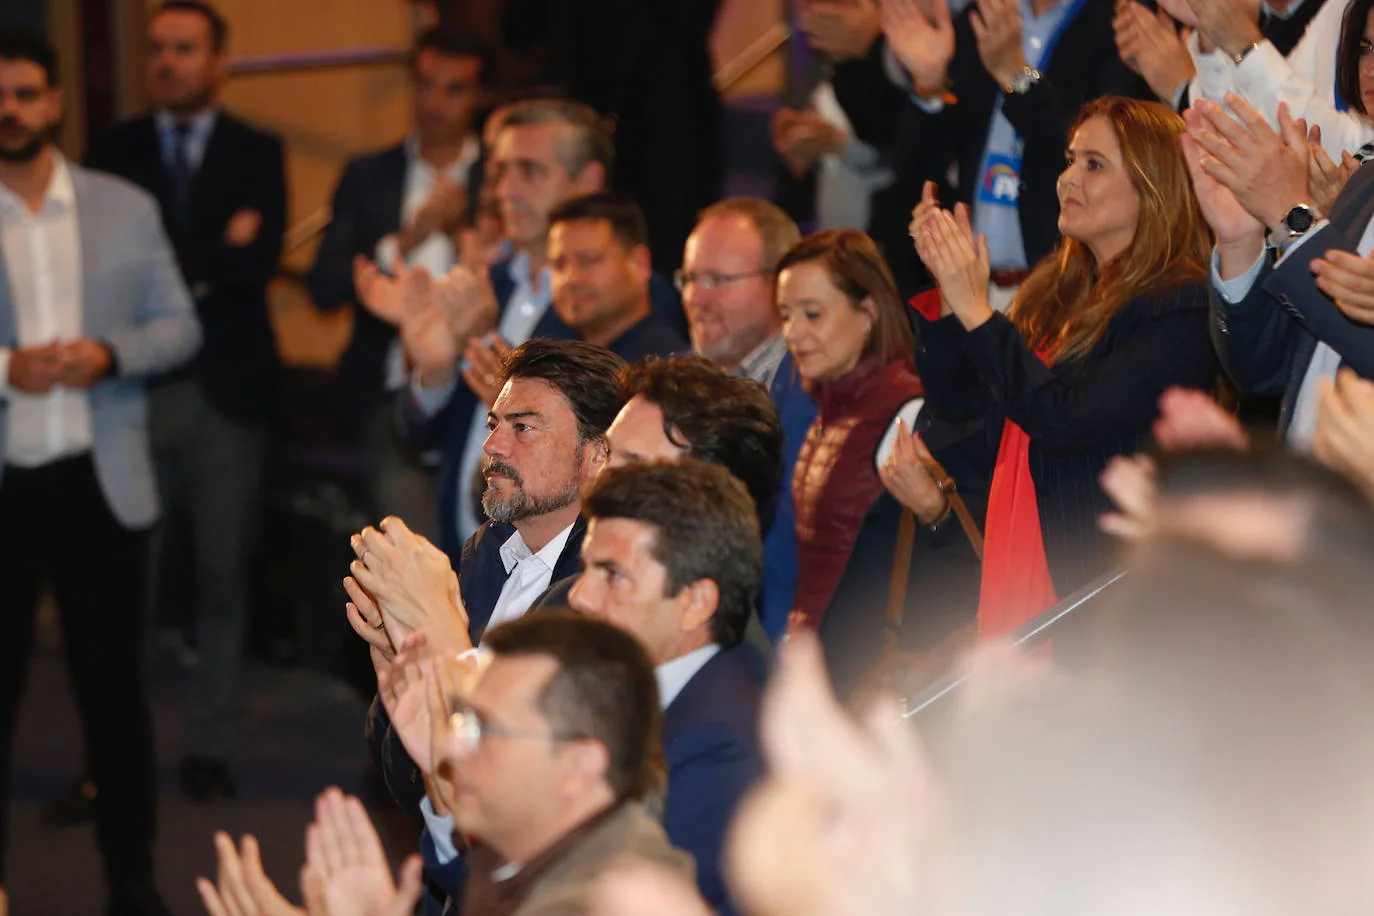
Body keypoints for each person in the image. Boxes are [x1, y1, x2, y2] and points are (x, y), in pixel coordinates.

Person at [0, 29, 202, 916]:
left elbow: (180, 327)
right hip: (7, 481)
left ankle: (133, 880)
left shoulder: (124, 205)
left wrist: (110, 352)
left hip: (101, 481)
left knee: (117, 700)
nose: (9, 110)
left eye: (26, 94)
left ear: (55, 103)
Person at [906, 95, 1217, 640]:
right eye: (1071, 159)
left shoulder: (1181, 303)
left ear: (1153, 185)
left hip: (1095, 591)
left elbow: (1066, 420)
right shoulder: (1053, 290)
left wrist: (979, 309)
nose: (1066, 178)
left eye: (1093, 165)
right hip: (1012, 546)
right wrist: (955, 302)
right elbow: (962, 405)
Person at [83, 0, 286, 803]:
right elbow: (118, 271)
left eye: (185, 48)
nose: (167, 61)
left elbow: (255, 261)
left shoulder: (255, 149)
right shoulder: (113, 151)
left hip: (227, 397)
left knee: (221, 579)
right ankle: (111, 752)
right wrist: (210, 255)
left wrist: (179, 263)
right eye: (158, 49)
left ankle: (210, 742)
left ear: (217, 62)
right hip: (132, 395)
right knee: (120, 584)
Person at [308, 28, 494, 539]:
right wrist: (406, 241)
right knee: (416, 546)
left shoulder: (500, 178)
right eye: (425, 85)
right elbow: (324, 284)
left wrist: (458, 230)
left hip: (485, 392)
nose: (434, 102)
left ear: (479, 96)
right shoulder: (371, 174)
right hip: (390, 394)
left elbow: (518, 277)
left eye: (453, 89)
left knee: (490, 544)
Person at [779, 230, 981, 693]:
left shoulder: (907, 411)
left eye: (812, 314)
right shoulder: (829, 404)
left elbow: (948, 558)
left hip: (864, 671)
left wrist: (936, 511)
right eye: (786, 315)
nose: (793, 332)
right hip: (821, 664)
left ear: (868, 312)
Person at [568, 460, 766, 914]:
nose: (580, 596)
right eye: (586, 569)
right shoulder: (651, 693)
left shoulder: (720, 743)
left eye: (613, 575)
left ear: (695, 603)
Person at [855, 0, 1150, 302]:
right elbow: (916, 170)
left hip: (1067, 290)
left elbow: (1102, 155)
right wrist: (931, 83)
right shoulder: (983, 14)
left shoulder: (1122, 20)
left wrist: (1017, 78)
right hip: (970, 281)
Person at [403, 613, 695, 915]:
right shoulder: (530, 858)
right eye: (462, 720)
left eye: (483, 729)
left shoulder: (590, 904)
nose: (450, 746)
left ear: (578, 765)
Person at [1186, 91, 1374, 448]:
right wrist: (1240, 243)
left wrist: (1293, 216)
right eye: (1366, 48)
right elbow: (1266, 373)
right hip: (1308, 487)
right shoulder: (1364, 182)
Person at [677, 198, 814, 639]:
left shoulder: (813, 395)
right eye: (690, 279)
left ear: (781, 284)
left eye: (717, 280)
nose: (696, 298)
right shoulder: (676, 384)